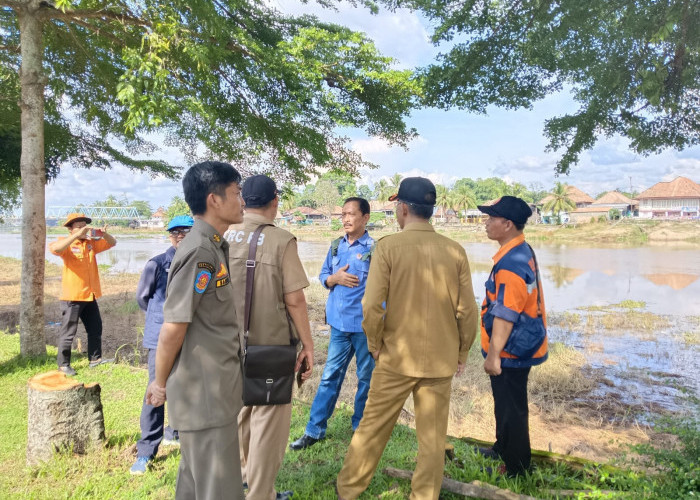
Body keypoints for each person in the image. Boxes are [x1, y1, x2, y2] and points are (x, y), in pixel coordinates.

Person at [336, 177, 479, 500]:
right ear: (430, 210)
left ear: (402, 209)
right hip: (440, 360)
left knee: (372, 428)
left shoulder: (387, 247)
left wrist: (374, 343)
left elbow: (371, 305)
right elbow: (468, 311)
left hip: (395, 358)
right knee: (432, 438)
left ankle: (348, 490)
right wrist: (462, 350)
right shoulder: (455, 251)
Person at [146, 161, 246, 500]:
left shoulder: (213, 245)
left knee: (195, 487)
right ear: (214, 199)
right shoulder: (200, 251)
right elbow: (174, 325)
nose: (242, 200)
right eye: (236, 193)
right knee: (219, 490)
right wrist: (158, 384)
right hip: (205, 394)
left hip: (214, 390)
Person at [225, 174, 314, 500]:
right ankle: (261, 494)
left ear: (244, 201)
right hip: (272, 349)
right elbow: (295, 299)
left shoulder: (222, 235)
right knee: (268, 424)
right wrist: (308, 343)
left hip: (228, 346)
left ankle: (239, 482)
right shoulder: (281, 241)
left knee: (239, 415)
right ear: (275, 201)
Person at [290, 197, 375, 451]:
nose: (346, 219)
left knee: (366, 379)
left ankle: (361, 430)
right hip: (338, 326)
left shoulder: (375, 249)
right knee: (329, 377)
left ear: (366, 218)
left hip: (364, 328)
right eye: (343, 214)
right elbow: (323, 275)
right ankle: (314, 431)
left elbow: (385, 288)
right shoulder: (336, 246)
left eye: (352, 214)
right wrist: (334, 278)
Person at [477, 196, 548, 477]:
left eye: (491, 218)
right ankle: (502, 448)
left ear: (507, 224)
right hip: (519, 345)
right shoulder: (519, 251)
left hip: (511, 350)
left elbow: (506, 314)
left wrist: (494, 356)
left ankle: (518, 468)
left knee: (512, 408)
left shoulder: (511, 263)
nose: (486, 223)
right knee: (505, 404)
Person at [130, 214, 194, 475]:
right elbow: (143, 298)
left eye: (186, 232)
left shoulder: (200, 263)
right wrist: (163, 321)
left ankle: (175, 431)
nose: (180, 236)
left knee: (187, 386)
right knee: (157, 390)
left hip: (191, 337)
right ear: (170, 235)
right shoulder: (156, 264)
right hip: (160, 337)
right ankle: (146, 450)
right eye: (175, 232)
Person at [49, 212, 117, 376]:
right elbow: (55, 249)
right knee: (68, 332)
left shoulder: (90, 244)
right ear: (70, 229)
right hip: (73, 296)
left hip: (90, 295)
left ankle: (95, 359)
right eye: (78, 227)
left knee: (95, 328)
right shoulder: (64, 244)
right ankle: (63, 365)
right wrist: (76, 236)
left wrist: (104, 234)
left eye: (83, 227)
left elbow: (113, 243)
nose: (82, 230)